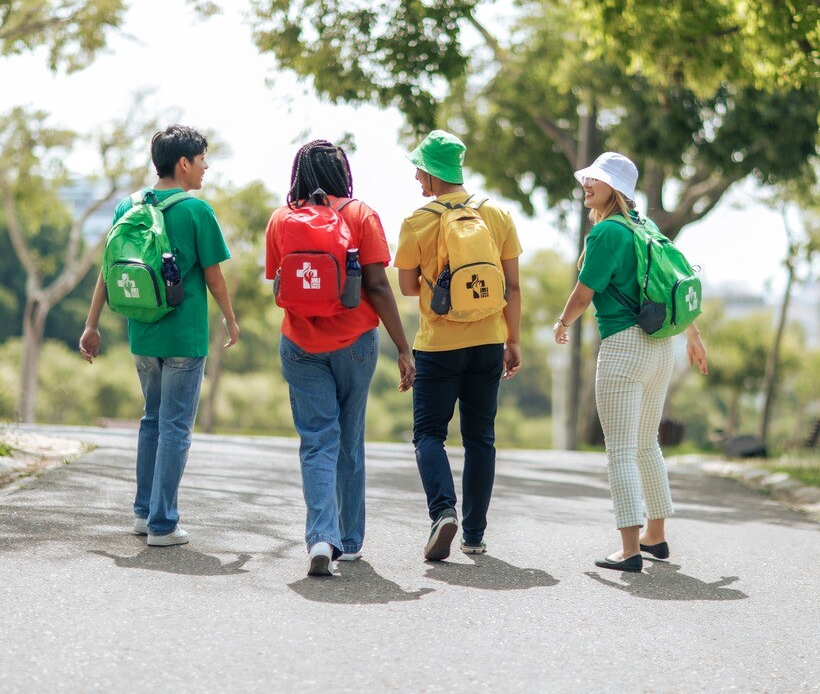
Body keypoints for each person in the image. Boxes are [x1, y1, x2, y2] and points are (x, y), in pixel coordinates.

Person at [79, 125, 240, 547]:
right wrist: (230, 319)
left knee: (151, 419)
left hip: (143, 336)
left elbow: (107, 273)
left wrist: (92, 325)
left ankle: (142, 511)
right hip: (184, 338)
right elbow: (214, 276)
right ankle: (163, 523)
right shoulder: (196, 211)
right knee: (174, 426)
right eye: (203, 159)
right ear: (184, 163)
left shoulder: (127, 207)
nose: (206, 167)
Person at [266, 139, 415, 577]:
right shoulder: (361, 214)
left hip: (299, 344)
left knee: (316, 440)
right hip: (354, 344)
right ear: (342, 173)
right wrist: (404, 348)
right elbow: (379, 287)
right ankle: (349, 542)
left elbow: (279, 284)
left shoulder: (281, 219)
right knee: (349, 437)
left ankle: (319, 537)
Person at [552, 151, 708, 572]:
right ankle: (654, 536)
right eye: (587, 179)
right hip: (660, 349)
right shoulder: (647, 228)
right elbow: (674, 283)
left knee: (620, 451)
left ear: (615, 189)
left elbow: (584, 294)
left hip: (623, 348)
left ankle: (629, 549)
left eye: (596, 181)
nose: (587, 185)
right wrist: (693, 336)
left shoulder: (606, 235)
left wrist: (562, 322)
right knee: (646, 445)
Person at [394, 129, 522, 561]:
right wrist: (514, 339)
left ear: (431, 174)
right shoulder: (498, 215)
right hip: (489, 340)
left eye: (419, 170)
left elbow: (409, 288)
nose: (416, 178)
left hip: (437, 344)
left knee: (429, 433)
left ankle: (442, 511)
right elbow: (514, 288)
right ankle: (474, 535)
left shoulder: (416, 222)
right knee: (480, 438)